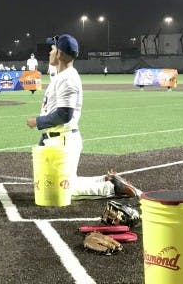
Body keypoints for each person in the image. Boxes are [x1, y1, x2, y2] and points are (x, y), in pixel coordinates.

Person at [26, 34, 141, 199]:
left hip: (63, 140)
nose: (49, 52)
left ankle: (111, 188)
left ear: (59, 53)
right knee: (58, 184)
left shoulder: (68, 78)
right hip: (55, 138)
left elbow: (64, 115)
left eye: (52, 49)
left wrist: (36, 121)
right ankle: (108, 180)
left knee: (65, 189)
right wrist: (44, 138)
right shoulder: (61, 75)